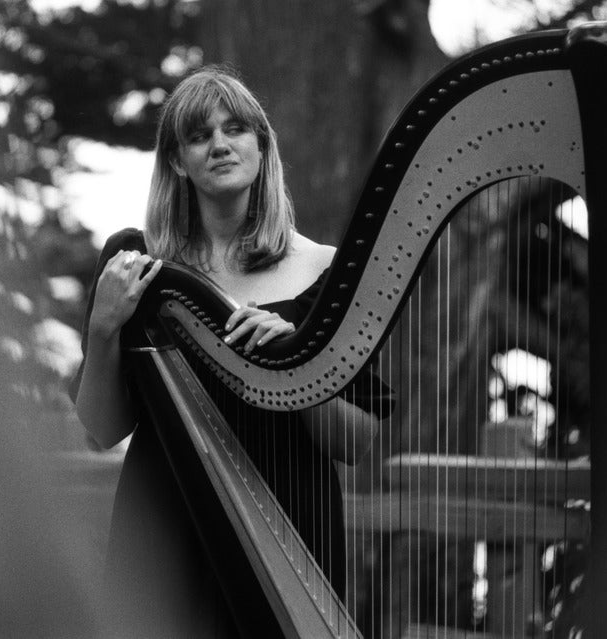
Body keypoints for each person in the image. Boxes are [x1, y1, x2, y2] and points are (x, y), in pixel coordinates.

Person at [71, 66, 390, 637]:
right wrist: (102, 328)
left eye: (236, 128)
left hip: (291, 532)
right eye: (198, 135)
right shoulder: (135, 265)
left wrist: (291, 361)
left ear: (262, 146)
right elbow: (101, 428)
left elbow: (357, 441)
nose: (220, 144)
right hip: (162, 528)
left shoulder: (326, 272)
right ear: (176, 161)